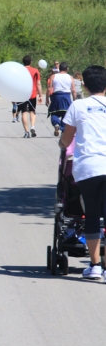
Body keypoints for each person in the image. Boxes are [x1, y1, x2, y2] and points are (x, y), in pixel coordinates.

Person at [59, 65, 106, 280]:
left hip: (88, 168)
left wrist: (62, 143)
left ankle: (96, 266)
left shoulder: (78, 106)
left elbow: (66, 139)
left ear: (84, 86)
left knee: (92, 215)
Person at [17, 55, 43, 138]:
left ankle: (26, 132)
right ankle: (32, 126)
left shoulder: (19, 70)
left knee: (24, 112)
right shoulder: (35, 70)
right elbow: (38, 84)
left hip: (22, 94)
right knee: (32, 111)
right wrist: (40, 95)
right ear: (30, 62)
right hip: (32, 94)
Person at [48, 62, 77, 137]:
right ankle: (63, 130)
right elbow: (73, 90)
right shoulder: (70, 77)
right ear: (67, 69)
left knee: (54, 113)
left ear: (59, 68)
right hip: (66, 96)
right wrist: (74, 100)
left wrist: (47, 99)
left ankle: (57, 124)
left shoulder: (53, 76)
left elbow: (49, 89)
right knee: (66, 114)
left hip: (56, 96)